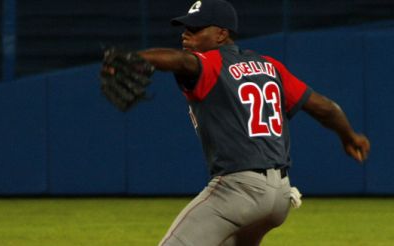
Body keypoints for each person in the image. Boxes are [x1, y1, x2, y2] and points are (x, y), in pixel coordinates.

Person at [132, 0, 370, 245]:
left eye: (196, 28)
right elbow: (326, 108)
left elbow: (181, 61)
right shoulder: (270, 66)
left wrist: (134, 59)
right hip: (279, 196)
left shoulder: (212, 63)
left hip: (239, 191)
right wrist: (349, 136)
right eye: (185, 28)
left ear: (221, 34)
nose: (186, 34)